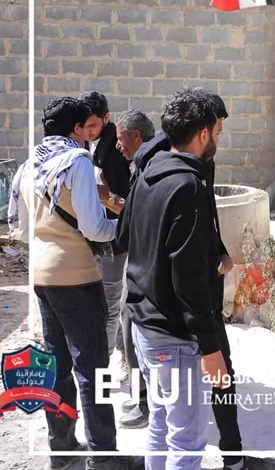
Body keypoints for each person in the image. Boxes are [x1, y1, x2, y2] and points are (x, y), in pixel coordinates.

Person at [6, 97, 141, 470]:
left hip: (42, 275)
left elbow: (18, 227)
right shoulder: (77, 162)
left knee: (58, 365)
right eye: (85, 128)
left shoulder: (30, 164)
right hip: (77, 276)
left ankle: (62, 449)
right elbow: (94, 227)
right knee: (93, 367)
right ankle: (104, 456)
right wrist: (126, 229)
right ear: (78, 129)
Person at [119, 88, 229, 470]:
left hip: (144, 324)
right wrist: (210, 345)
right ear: (202, 134)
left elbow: (124, 238)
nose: (219, 137)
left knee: (162, 423)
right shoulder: (188, 186)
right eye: (217, 130)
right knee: (188, 437)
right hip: (174, 336)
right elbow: (188, 278)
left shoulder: (149, 171)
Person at [80, 91, 132, 360]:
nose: (88, 131)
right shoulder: (87, 146)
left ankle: (105, 366)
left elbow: (130, 205)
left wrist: (105, 196)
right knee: (110, 303)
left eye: (93, 125)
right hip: (97, 237)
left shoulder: (114, 150)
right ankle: (123, 356)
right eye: (84, 126)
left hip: (115, 239)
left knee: (111, 306)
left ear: (106, 118)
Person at [113, 109, 156, 429]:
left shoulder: (149, 167)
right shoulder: (152, 162)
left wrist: (110, 200)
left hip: (147, 264)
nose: (118, 145)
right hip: (145, 262)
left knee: (136, 330)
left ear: (137, 137)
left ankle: (145, 402)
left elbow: (133, 221)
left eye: (121, 138)